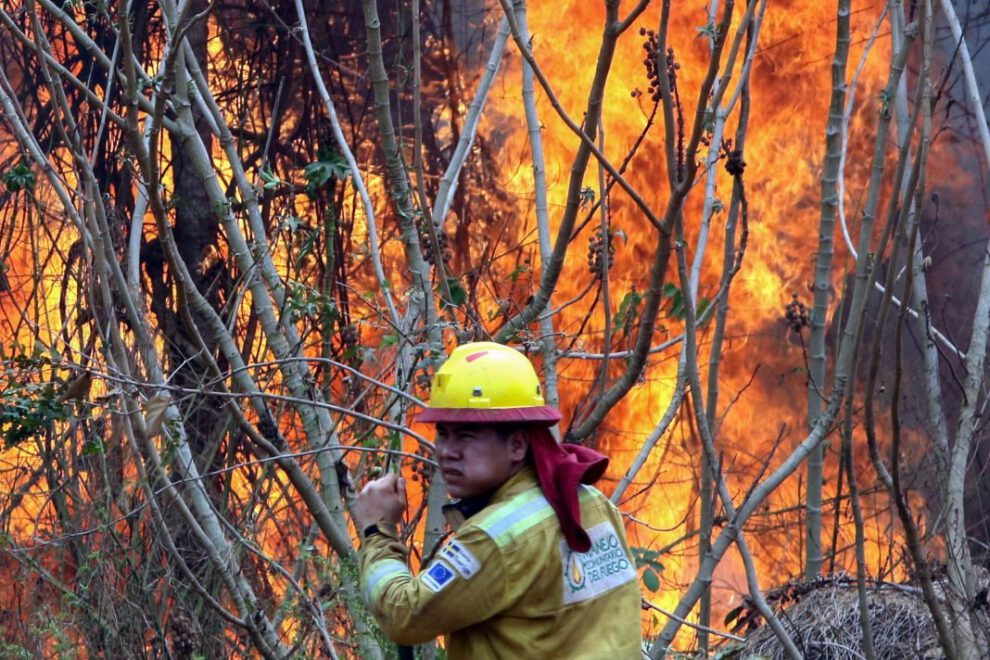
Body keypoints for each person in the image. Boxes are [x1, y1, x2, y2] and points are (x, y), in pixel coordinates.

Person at [354, 342, 643, 659]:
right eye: (444, 433)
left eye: (466, 435)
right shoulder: (592, 501)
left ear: (517, 445)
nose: (447, 451)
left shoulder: (492, 538)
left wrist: (376, 530)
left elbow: (403, 616)